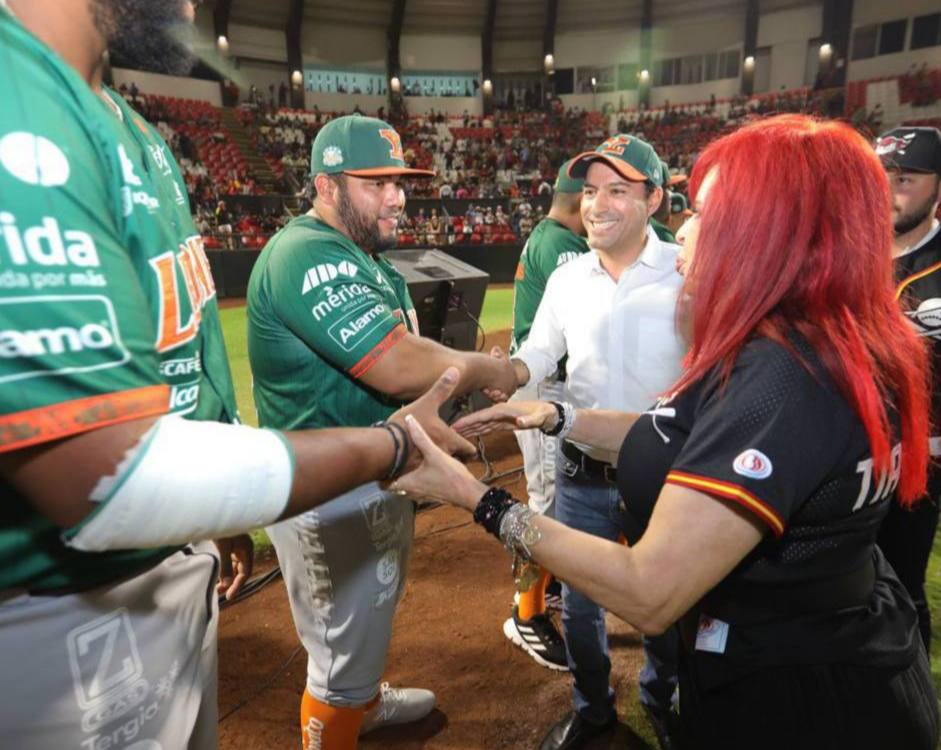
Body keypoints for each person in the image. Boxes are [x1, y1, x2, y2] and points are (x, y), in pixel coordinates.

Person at [0, 3, 472, 748]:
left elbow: (181, 350)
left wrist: (215, 522)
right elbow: (104, 478)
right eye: (377, 182)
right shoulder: (16, 92)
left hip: (169, 556)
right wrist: (391, 446)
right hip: (55, 611)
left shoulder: (132, 129)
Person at [398, 115, 941, 750]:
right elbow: (685, 430)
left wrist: (476, 498)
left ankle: (656, 706)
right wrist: (558, 415)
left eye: (707, 212)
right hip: (827, 661)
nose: (684, 229)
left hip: (796, 701)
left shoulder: (781, 376)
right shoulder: (811, 341)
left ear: (771, 231)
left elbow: (650, 591)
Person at [246, 114, 519, 750]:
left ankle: (363, 704)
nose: (397, 197)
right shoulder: (303, 251)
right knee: (340, 649)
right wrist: (494, 369)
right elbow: (397, 364)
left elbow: (413, 363)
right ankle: (342, 715)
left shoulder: (369, 259)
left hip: (372, 471)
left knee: (369, 619)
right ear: (326, 187)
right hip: (324, 491)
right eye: (376, 184)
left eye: (400, 183)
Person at [498, 135, 686, 750]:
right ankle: (593, 709)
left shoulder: (686, 274)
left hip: (664, 474)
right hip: (581, 468)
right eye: (589, 191)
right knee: (580, 606)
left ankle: (662, 699)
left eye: (617, 190)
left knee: (664, 601)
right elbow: (538, 354)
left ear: (653, 199)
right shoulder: (568, 276)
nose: (596, 204)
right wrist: (503, 374)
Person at [502, 158, 589, 672]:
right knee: (546, 506)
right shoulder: (560, 244)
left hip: (547, 381)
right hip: (541, 383)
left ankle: (545, 588)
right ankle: (525, 612)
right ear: (581, 200)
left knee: (556, 499)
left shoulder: (553, 236)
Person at [876, 125, 941, 653]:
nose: (889, 191)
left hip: (925, 457)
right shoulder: (850, 250)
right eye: (882, 177)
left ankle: (909, 686)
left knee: (902, 584)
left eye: (905, 179)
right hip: (851, 448)